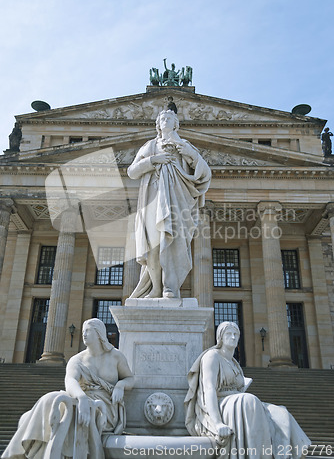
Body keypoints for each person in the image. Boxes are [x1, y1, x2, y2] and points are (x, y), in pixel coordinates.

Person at [2, 318, 134, 459]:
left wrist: (120, 386)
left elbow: (130, 379)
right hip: (81, 399)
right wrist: (81, 397)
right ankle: (19, 454)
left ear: (99, 333)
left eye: (87, 331)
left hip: (105, 408)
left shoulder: (116, 356)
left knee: (64, 411)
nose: (84, 334)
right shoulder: (77, 360)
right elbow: (70, 380)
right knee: (50, 399)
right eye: (83, 331)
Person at [184, 322, 311, 459]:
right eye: (228, 334)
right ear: (220, 337)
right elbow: (208, 390)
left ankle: (289, 454)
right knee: (249, 400)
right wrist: (217, 422)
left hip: (238, 403)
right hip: (220, 405)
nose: (233, 337)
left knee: (279, 411)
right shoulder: (212, 356)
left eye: (235, 334)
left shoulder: (234, 363)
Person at [128, 109, 211, 299]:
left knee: (173, 244)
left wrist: (192, 155)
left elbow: (205, 175)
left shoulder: (184, 145)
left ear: (176, 124)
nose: (165, 121)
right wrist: (153, 160)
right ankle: (156, 288)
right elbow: (132, 171)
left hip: (177, 202)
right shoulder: (149, 146)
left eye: (169, 119)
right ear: (158, 125)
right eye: (162, 119)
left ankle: (170, 288)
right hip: (153, 200)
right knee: (152, 247)